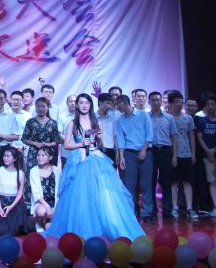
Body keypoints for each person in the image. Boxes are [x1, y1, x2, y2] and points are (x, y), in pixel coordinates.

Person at [45, 94, 143, 240]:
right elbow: (66, 145)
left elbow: (100, 145)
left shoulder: (97, 122)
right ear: (77, 105)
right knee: (80, 196)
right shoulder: (72, 123)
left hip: (96, 159)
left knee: (103, 196)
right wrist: (81, 144)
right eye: (81, 103)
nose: (84, 105)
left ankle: (107, 230)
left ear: (91, 105)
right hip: (79, 160)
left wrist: (100, 138)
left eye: (87, 103)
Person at [115, 95, 154, 218]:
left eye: (118, 105)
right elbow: (121, 139)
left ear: (124, 103)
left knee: (146, 184)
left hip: (145, 152)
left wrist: (144, 150)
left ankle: (147, 212)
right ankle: (130, 212)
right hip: (129, 154)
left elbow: (149, 133)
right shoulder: (120, 120)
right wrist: (121, 156)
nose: (117, 108)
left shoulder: (143, 115)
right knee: (129, 184)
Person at [21, 98, 60, 213]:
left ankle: (50, 205)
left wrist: (47, 145)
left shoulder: (53, 123)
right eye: (38, 106)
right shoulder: (31, 122)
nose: (41, 109)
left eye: (43, 106)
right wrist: (35, 143)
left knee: (49, 178)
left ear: (48, 107)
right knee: (32, 178)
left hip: (48, 155)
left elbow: (56, 141)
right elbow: (24, 138)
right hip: (34, 154)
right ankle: (32, 207)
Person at [168, 91, 198, 219]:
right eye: (177, 102)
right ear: (171, 103)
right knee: (174, 182)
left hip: (186, 153)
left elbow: (192, 136)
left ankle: (189, 208)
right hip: (171, 154)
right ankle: (175, 207)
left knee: (187, 181)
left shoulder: (188, 118)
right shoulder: (168, 117)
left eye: (181, 102)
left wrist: (193, 154)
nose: (179, 104)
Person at [147, 91, 177, 219]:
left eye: (158, 100)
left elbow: (174, 137)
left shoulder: (169, 117)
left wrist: (174, 155)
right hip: (151, 151)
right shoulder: (146, 117)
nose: (156, 102)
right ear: (149, 102)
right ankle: (152, 210)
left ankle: (167, 210)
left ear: (161, 101)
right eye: (153, 100)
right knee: (151, 181)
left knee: (166, 181)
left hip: (165, 151)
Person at [194, 92, 216, 217]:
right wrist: (208, 151)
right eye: (208, 104)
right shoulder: (201, 120)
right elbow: (199, 138)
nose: (210, 106)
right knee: (212, 182)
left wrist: (215, 150)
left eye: (213, 104)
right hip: (207, 156)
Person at [0, 146, 28, 236]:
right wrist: (0, 208)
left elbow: (20, 192)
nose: (5, 158)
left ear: (14, 159)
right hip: (1, 202)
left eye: (8, 156)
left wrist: (11, 206)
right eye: (4, 156)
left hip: (15, 203)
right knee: (1, 230)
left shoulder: (20, 173)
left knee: (14, 229)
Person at [29, 147, 58, 232]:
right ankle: (40, 224)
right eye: (38, 155)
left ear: (50, 157)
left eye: (43, 155)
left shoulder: (56, 170)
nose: (39, 157)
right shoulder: (34, 171)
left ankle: (48, 224)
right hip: (41, 202)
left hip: (54, 202)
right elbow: (36, 194)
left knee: (50, 228)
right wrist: (48, 207)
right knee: (42, 211)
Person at [96, 94, 119, 165]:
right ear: (100, 102)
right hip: (96, 151)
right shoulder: (92, 118)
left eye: (111, 104)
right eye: (107, 103)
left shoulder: (113, 118)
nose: (109, 106)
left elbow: (115, 136)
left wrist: (117, 153)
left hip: (110, 151)